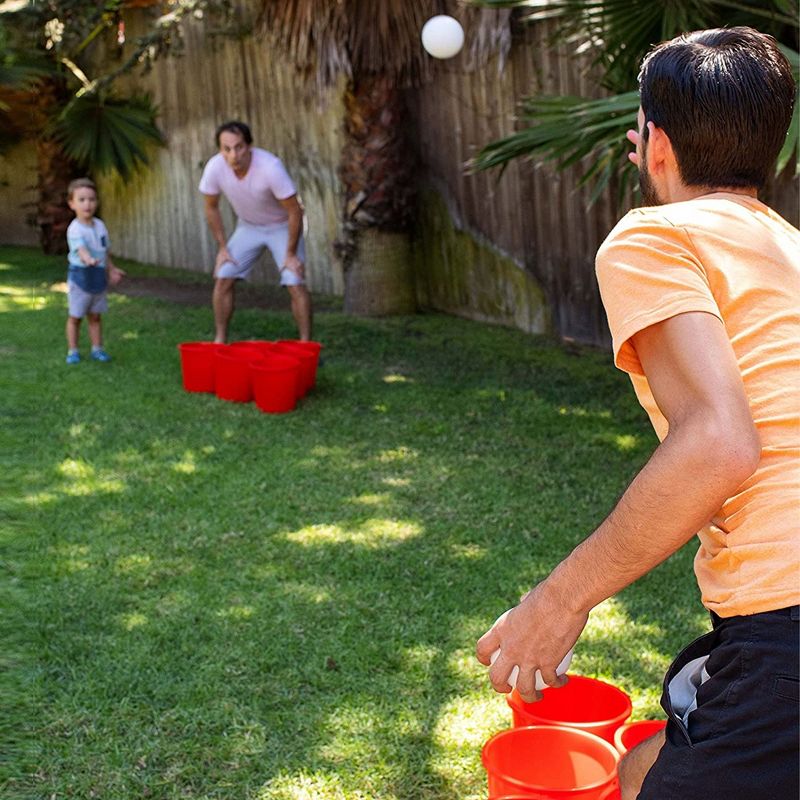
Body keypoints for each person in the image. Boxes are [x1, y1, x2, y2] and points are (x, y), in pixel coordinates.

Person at [476, 26, 798, 800]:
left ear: (653, 143)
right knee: (645, 763)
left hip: (784, 619)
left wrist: (554, 603)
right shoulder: (788, 247)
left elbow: (719, 443)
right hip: (771, 628)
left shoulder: (652, 238)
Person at [198, 120, 312, 343]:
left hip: (282, 226)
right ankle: (219, 341)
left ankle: (306, 345)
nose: (233, 155)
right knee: (223, 275)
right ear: (220, 150)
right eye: (226, 149)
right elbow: (211, 207)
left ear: (249, 146)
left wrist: (290, 254)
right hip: (249, 227)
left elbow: (295, 211)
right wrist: (222, 247)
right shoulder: (214, 167)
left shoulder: (270, 167)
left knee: (294, 280)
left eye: (239, 147)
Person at [65, 177, 126, 364]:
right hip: (80, 277)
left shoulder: (100, 226)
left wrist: (112, 269)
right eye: (81, 200)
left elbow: (104, 251)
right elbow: (81, 249)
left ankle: (97, 349)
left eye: (91, 199)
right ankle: (73, 351)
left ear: (97, 202)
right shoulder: (74, 229)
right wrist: (88, 259)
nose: (87, 204)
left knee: (95, 316)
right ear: (71, 204)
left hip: (98, 277)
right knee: (76, 317)